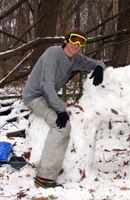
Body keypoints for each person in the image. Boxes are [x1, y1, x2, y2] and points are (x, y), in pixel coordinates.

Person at [22, 28, 106, 188]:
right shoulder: (53, 53)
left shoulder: (74, 58)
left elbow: (95, 63)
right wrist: (59, 111)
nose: (77, 44)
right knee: (62, 127)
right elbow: (46, 85)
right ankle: (44, 178)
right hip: (35, 97)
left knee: (75, 117)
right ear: (66, 40)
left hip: (48, 96)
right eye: (74, 39)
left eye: (81, 42)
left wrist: (100, 68)